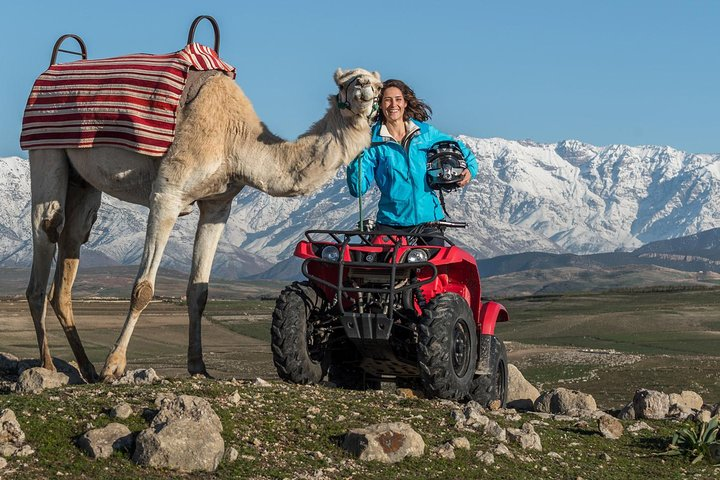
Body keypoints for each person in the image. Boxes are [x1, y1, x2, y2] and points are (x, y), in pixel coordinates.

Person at [346, 79, 478, 243]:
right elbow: (357, 189)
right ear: (379, 104)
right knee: (384, 268)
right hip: (390, 223)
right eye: (387, 100)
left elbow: (461, 150)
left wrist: (470, 169)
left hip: (429, 221)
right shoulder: (371, 141)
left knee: (434, 268)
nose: (393, 104)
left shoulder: (425, 133)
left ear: (406, 103)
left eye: (398, 99)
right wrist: (354, 155)